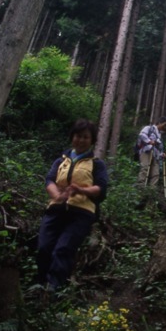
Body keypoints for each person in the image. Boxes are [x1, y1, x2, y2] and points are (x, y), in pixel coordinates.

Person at [37, 119, 108, 292]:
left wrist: (81, 190)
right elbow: (50, 180)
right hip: (56, 209)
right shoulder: (61, 161)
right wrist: (56, 195)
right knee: (44, 246)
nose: (81, 140)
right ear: (72, 137)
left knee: (63, 248)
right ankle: (39, 283)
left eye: (85, 137)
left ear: (91, 141)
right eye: (78, 136)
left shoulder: (96, 164)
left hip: (82, 212)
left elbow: (101, 188)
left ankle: (54, 287)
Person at [137, 116, 166, 187]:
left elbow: (158, 147)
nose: (165, 126)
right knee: (145, 168)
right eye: (164, 124)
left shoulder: (160, 135)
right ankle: (141, 187)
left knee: (156, 173)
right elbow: (142, 135)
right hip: (146, 151)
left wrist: (161, 154)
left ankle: (152, 191)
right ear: (160, 123)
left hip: (155, 155)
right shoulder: (149, 128)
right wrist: (149, 141)